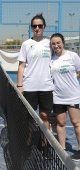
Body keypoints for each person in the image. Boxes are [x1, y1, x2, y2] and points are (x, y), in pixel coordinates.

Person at [17, 14, 53, 129]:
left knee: (44, 116)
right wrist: (19, 85)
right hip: (29, 87)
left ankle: (45, 145)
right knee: (29, 117)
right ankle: (28, 145)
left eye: (40, 26)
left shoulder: (50, 44)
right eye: (34, 26)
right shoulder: (26, 44)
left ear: (44, 27)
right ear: (32, 28)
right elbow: (21, 66)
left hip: (46, 87)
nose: (37, 28)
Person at [50, 33, 80, 161]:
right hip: (57, 97)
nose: (56, 45)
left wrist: (73, 80)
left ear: (63, 43)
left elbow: (79, 71)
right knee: (61, 123)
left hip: (73, 96)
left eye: (58, 42)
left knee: (76, 123)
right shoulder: (51, 59)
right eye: (53, 43)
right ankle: (62, 149)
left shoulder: (72, 56)